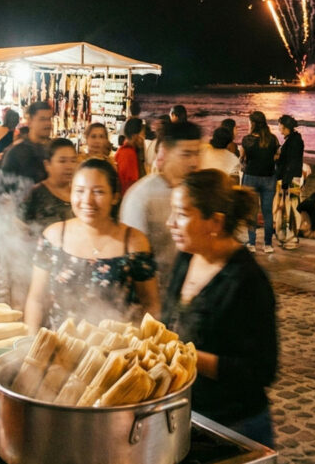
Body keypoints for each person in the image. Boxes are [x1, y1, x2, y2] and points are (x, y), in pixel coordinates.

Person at [163, 169, 277, 446]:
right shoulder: (187, 258)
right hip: (187, 416)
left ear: (214, 222)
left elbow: (262, 371)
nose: (170, 223)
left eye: (181, 214)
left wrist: (187, 356)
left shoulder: (246, 281)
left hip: (235, 428)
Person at [24, 159, 159, 330]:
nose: (87, 200)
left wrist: (141, 344)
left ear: (115, 197)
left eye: (98, 192)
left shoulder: (134, 243)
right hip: (59, 348)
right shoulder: (53, 237)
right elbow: (36, 299)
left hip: (116, 352)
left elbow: (151, 305)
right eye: (79, 191)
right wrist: (31, 342)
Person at [121, 121, 202, 281]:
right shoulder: (141, 196)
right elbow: (133, 258)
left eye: (197, 153)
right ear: (165, 152)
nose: (194, 162)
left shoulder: (199, 191)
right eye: (186, 154)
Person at [241, 111, 279, 255]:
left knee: (252, 211)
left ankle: (251, 243)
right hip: (269, 177)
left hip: (251, 176)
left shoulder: (247, 140)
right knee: (267, 212)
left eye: (249, 122)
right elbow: (277, 155)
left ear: (253, 124)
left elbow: (242, 157)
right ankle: (268, 244)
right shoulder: (272, 139)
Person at [21, 138, 78, 233]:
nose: (69, 166)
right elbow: (21, 228)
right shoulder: (35, 194)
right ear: (47, 164)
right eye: (62, 161)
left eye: (73, 161)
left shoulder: (79, 193)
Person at [0, 101, 53, 185]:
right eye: (42, 119)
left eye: (49, 119)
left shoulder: (54, 149)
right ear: (30, 121)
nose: (48, 123)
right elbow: (4, 186)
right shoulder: (16, 152)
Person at [115, 117, 147, 194]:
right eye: (142, 134)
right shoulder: (129, 154)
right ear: (134, 136)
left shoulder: (125, 151)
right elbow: (131, 186)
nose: (144, 138)